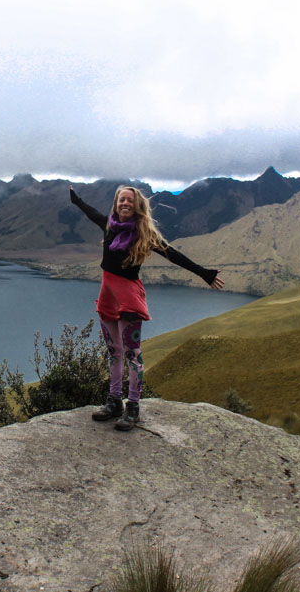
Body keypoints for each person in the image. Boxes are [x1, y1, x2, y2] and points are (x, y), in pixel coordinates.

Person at [69, 184, 224, 431]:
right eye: (121, 200)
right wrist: (76, 201)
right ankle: (114, 402)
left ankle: (133, 407)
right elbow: (91, 212)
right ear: (116, 203)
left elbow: (174, 255)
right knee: (113, 352)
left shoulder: (144, 234)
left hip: (129, 297)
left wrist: (204, 273)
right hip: (107, 294)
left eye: (130, 200)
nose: (125, 204)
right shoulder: (109, 225)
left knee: (132, 353)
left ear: (137, 206)